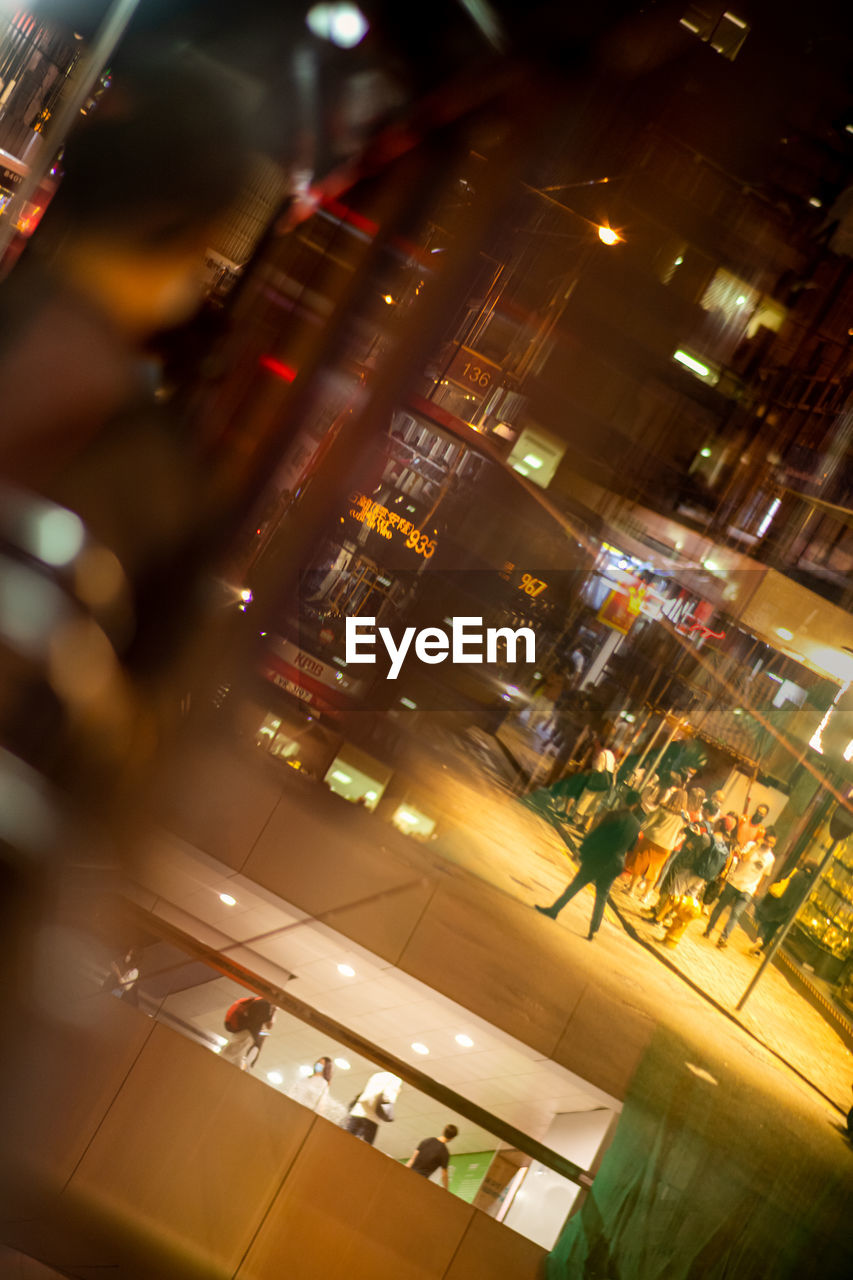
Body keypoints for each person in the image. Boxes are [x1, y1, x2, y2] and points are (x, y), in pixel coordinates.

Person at [535, 789, 644, 939]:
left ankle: (554, 910)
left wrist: (581, 850)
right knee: (602, 895)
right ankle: (594, 928)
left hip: (599, 857)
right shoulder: (636, 825)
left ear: (624, 799)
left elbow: (597, 835)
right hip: (616, 863)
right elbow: (631, 848)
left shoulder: (613, 815)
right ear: (636, 805)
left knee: (576, 885)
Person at [703, 830, 778, 949]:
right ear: (763, 838)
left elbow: (764, 875)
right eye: (767, 841)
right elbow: (743, 858)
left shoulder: (771, 858)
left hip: (749, 888)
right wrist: (756, 846)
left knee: (736, 913)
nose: (769, 844)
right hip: (734, 882)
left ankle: (724, 937)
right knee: (721, 906)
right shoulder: (750, 845)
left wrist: (756, 889)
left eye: (772, 843)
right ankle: (709, 928)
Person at [622, 787, 688, 903]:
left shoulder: (663, 808)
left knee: (640, 863)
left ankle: (631, 890)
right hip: (666, 846)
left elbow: (649, 821)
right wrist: (674, 843)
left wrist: (639, 830)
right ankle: (645, 895)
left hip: (651, 839)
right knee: (655, 870)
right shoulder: (684, 818)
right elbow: (682, 833)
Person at [750, 862, 819, 955]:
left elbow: (780, 880)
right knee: (773, 929)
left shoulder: (794, 872)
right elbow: (806, 899)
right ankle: (759, 950)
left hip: (777, 902)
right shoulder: (809, 884)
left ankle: (759, 939)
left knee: (765, 921)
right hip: (787, 911)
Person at [344, 1071, 402, 1146]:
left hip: (358, 1111)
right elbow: (387, 1097)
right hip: (372, 1117)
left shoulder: (377, 1075)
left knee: (346, 1139)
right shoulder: (396, 1079)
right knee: (364, 1147)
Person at [220, 997, 276, 1071]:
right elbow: (269, 1025)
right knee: (230, 1052)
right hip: (247, 1032)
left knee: (238, 1056)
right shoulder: (264, 1004)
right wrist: (274, 1011)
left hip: (243, 1031)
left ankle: (236, 1074)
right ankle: (216, 1064)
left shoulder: (259, 1001)